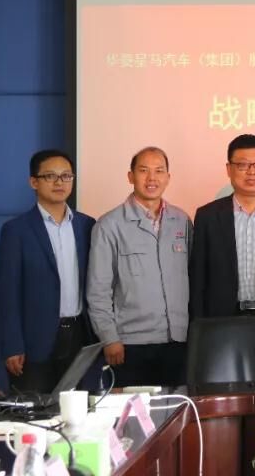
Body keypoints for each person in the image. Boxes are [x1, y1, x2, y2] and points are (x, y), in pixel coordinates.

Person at [87, 146, 193, 387]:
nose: (151, 178)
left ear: (168, 177)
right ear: (130, 176)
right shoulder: (109, 225)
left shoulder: (181, 220)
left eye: (159, 171)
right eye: (143, 170)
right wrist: (109, 338)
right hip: (130, 344)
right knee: (133, 409)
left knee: (176, 406)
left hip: (177, 340)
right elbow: (98, 290)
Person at [0, 149, 96, 393]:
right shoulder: (16, 230)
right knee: (35, 410)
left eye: (66, 176)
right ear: (34, 182)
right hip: (35, 340)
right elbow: (8, 292)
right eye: (50, 176)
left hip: (80, 337)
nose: (59, 182)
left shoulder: (87, 225)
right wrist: (12, 345)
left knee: (79, 409)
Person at [189, 134, 255, 319]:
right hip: (222, 317)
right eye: (243, 165)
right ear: (229, 169)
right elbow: (198, 277)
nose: (252, 171)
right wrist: (198, 324)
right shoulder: (208, 216)